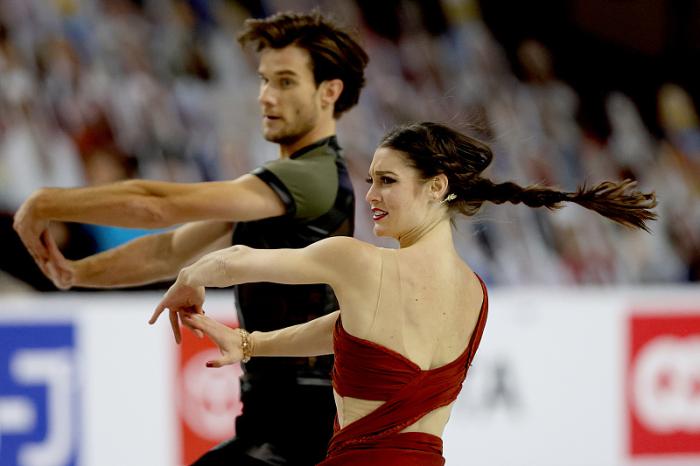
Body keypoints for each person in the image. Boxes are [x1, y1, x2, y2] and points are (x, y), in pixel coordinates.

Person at [151, 121, 657, 465]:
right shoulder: (476, 295)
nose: (371, 195)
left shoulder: (356, 262)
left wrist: (191, 275)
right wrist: (251, 344)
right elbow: (355, 331)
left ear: (437, 186)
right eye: (371, 180)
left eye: (387, 181)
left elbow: (239, 260)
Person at [13, 11, 369, 466]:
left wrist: (48, 201)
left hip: (303, 427)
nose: (266, 95)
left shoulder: (310, 177)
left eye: (285, 82)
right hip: (276, 419)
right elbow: (168, 251)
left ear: (329, 91)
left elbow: (159, 205)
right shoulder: (284, 187)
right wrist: (74, 273)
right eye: (264, 80)